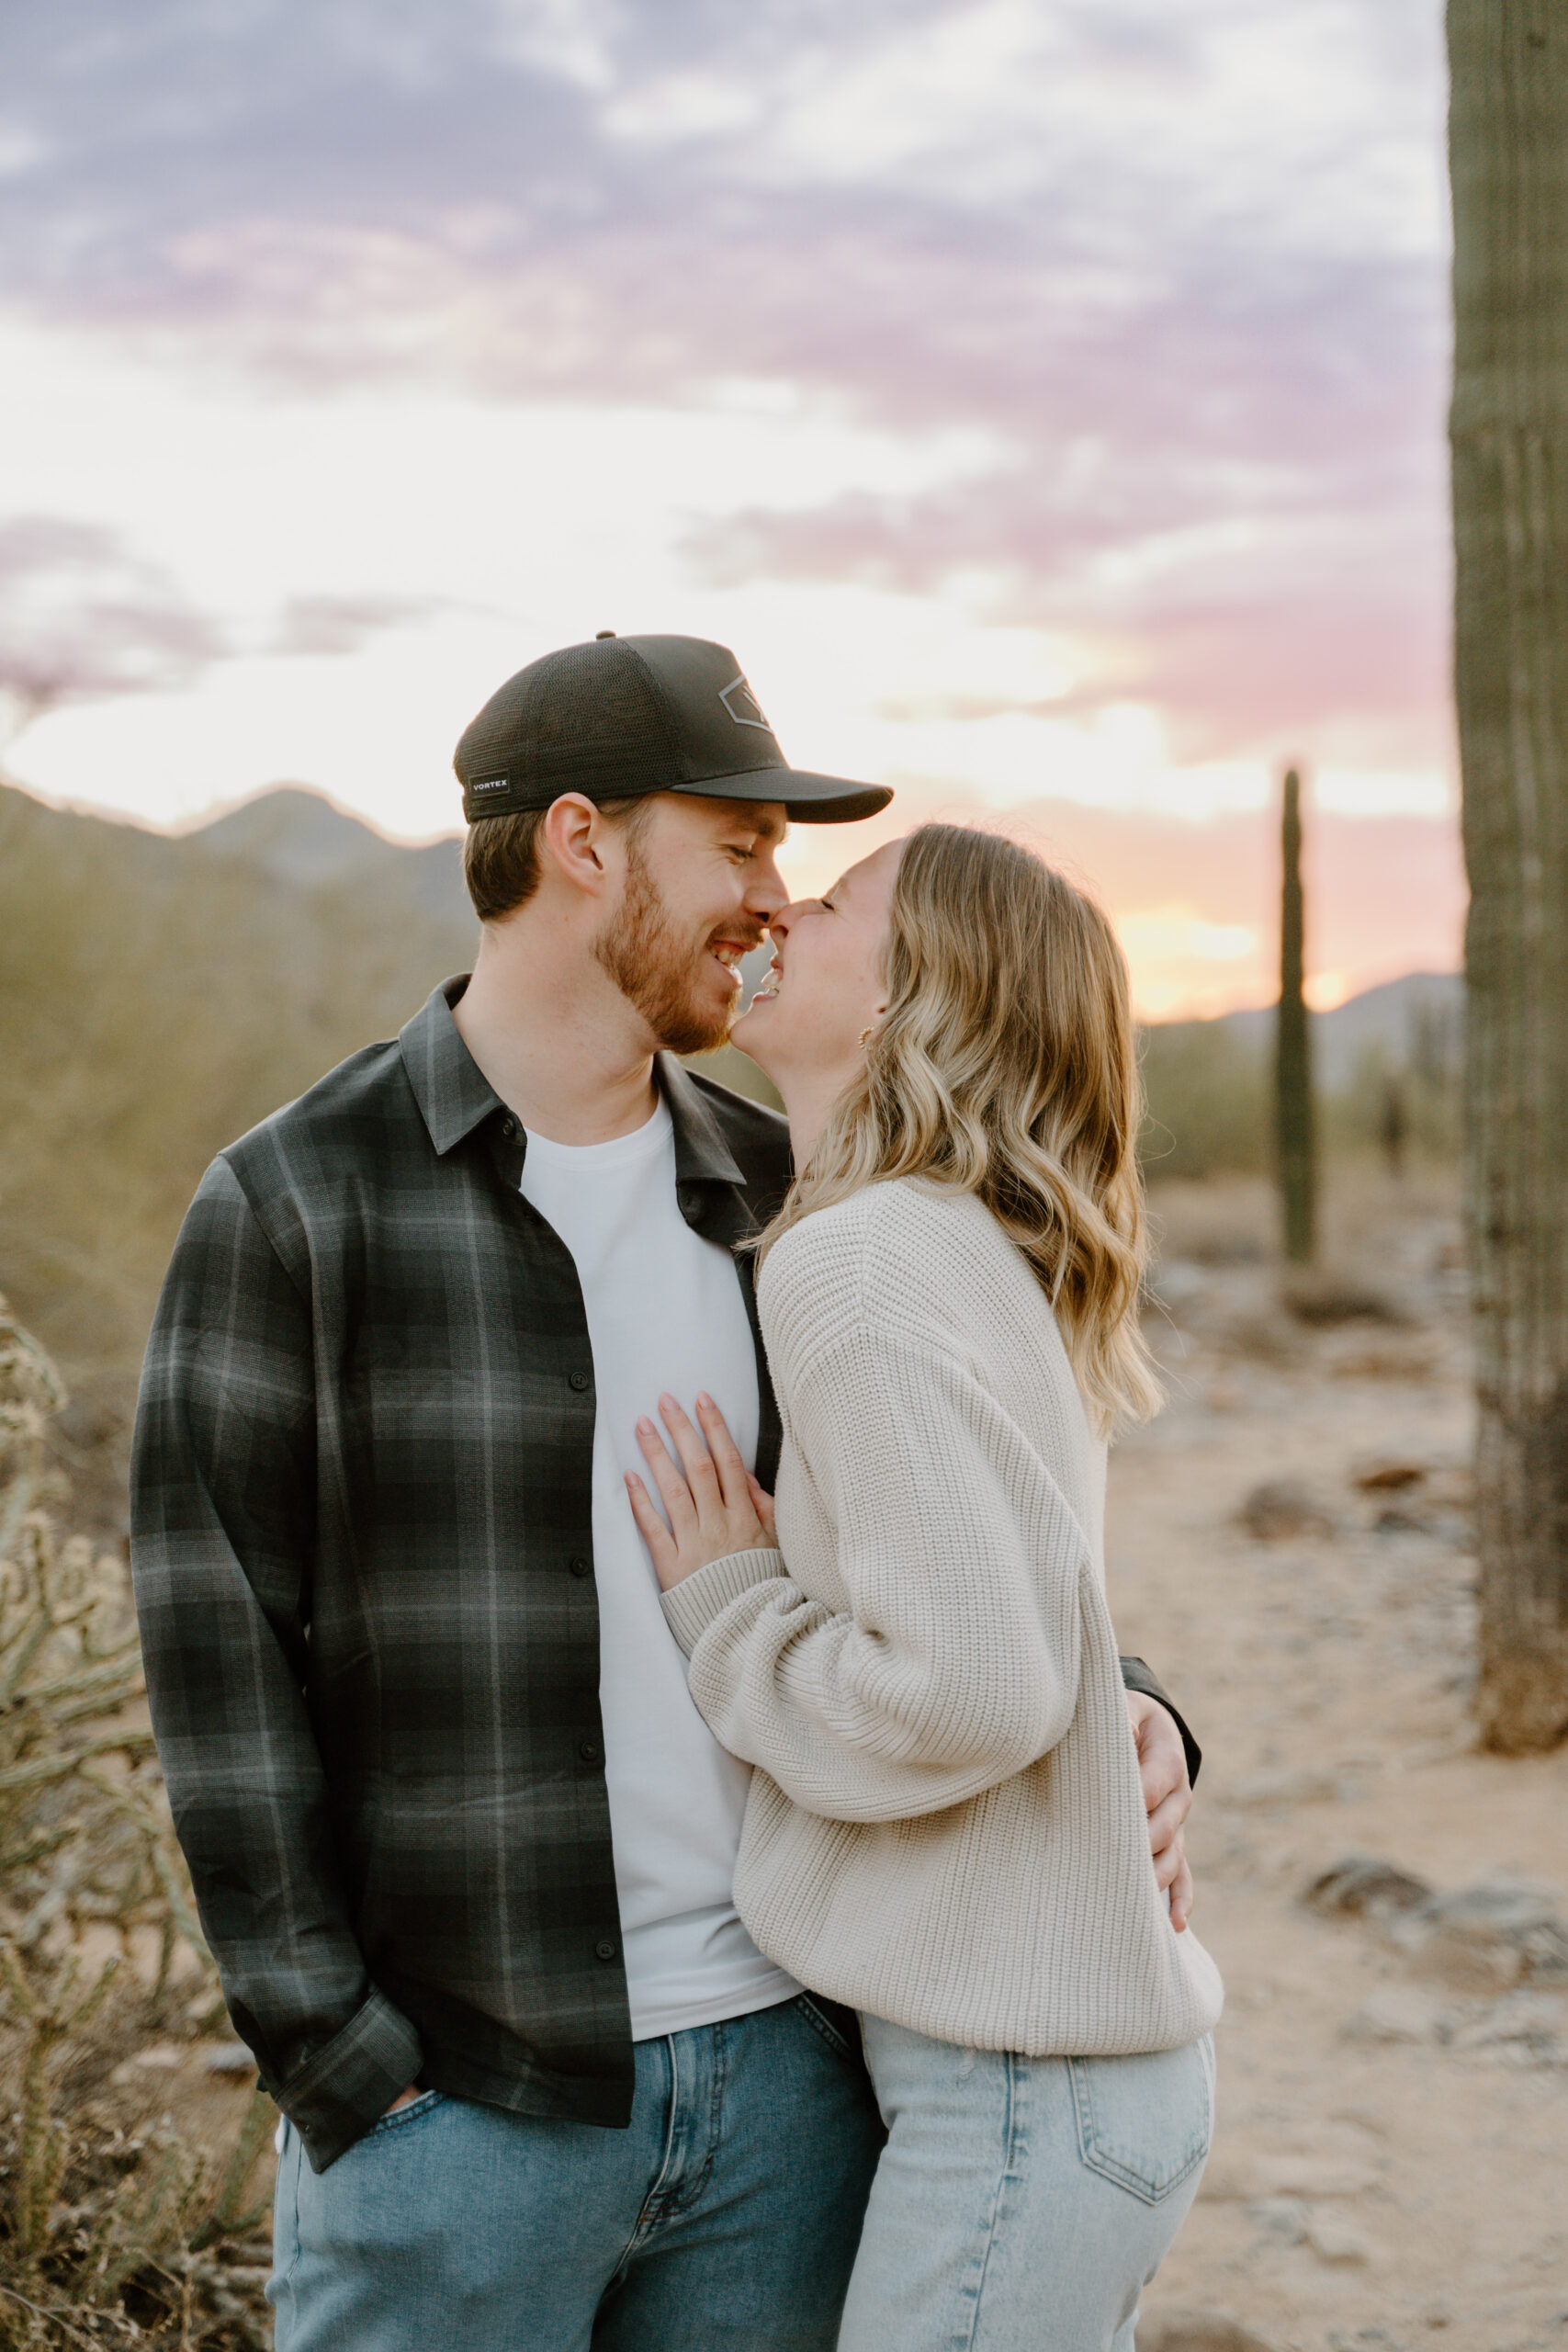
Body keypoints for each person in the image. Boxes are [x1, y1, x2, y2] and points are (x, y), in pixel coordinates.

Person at [131, 635, 1202, 2352]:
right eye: (742, 848)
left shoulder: (797, 1199)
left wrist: (1134, 1714)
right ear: (583, 845)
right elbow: (215, 1665)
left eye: (792, 869)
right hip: (464, 2107)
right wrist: (344, 2065)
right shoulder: (296, 1205)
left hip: (798, 2078)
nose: (775, 903)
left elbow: (956, 1543)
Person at [628, 822, 1224, 2352]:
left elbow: (976, 1683)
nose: (778, 913)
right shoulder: (960, 1240)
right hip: (1073, 2084)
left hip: (1020, 2095)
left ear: (906, 993)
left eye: (827, 906)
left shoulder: (866, 1260)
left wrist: (730, 1606)